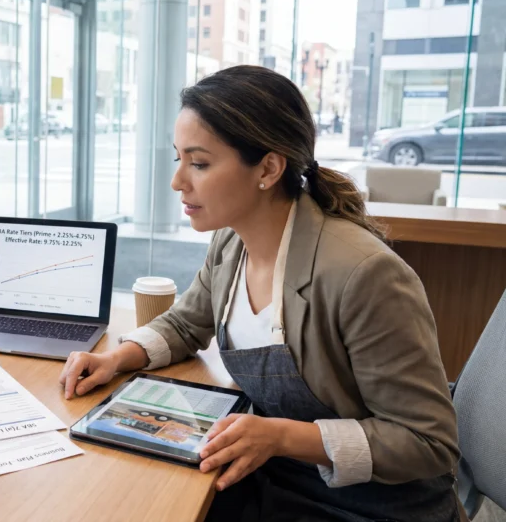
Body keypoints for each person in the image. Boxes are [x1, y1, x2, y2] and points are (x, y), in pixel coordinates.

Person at [59, 66, 463, 521]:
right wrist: (118, 357)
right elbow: (185, 321)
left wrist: (280, 437)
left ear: (268, 168)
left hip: (375, 505)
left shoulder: (363, 275)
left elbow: (429, 444)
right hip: (278, 475)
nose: (178, 182)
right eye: (179, 159)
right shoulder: (232, 241)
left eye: (200, 163)